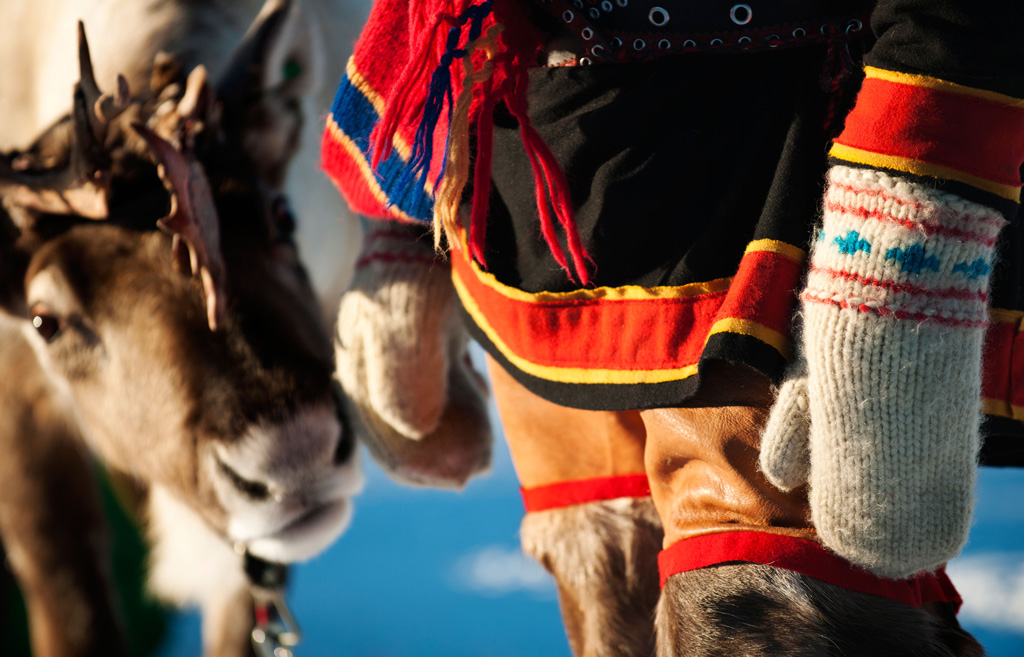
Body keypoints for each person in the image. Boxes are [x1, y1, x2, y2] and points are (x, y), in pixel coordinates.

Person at [322, 0, 1024, 654]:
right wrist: (403, 202)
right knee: (611, 595)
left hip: (778, 169)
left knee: (772, 602)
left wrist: (909, 224)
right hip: (535, 160)